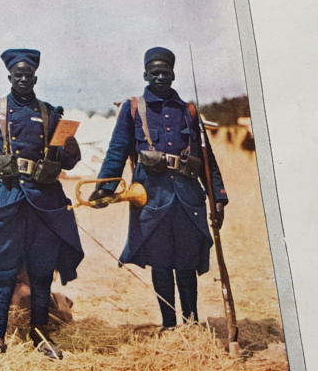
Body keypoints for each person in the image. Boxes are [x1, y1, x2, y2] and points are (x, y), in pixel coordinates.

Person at [0, 48, 84, 366]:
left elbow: (67, 156)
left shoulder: (51, 113)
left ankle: (40, 335)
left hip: (44, 203)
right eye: (17, 75)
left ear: (35, 78)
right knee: (1, 271)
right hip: (7, 201)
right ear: (10, 77)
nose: (23, 79)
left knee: (40, 273)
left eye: (28, 75)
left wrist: (68, 154)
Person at [89, 46, 228, 330]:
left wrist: (219, 197)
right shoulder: (132, 109)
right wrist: (104, 188)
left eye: (166, 72)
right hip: (151, 199)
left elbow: (206, 159)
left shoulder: (188, 110)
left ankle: (191, 323)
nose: (161, 77)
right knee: (161, 263)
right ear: (145, 74)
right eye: (155, 73)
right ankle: (169, 325)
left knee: (187, 264)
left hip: (188, 200)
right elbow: (117, 151)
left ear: (174, 74)